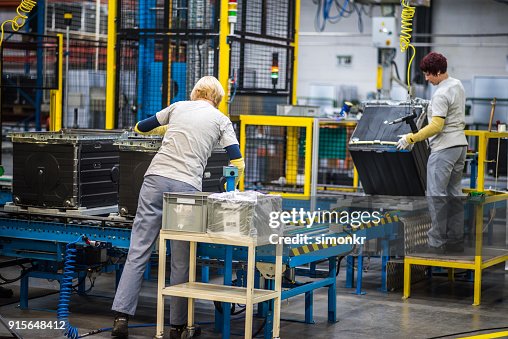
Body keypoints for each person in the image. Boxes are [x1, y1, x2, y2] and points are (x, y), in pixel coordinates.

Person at [111, 76, 245, 338]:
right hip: (186, 189)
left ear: (195, 92)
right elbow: (237, 161)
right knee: (181, 258)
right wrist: (234, 190)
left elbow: (141, 127)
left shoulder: (178, 107)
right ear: (217, 98)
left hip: (154, 179)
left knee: (138, 251)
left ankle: (121, 318)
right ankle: (177, 326)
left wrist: (168, 128)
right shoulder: (221, 120)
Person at [397, 52, 468, 254]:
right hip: (460, 147)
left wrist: (410, 138)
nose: (427, 78)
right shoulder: (457, 85)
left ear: (437, 71)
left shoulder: (440, 94)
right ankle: (455, 242)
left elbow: (436, 126)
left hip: (444, 148)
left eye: (429, 74)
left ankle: (436, 244)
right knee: (454, 194)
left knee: (436, 196)